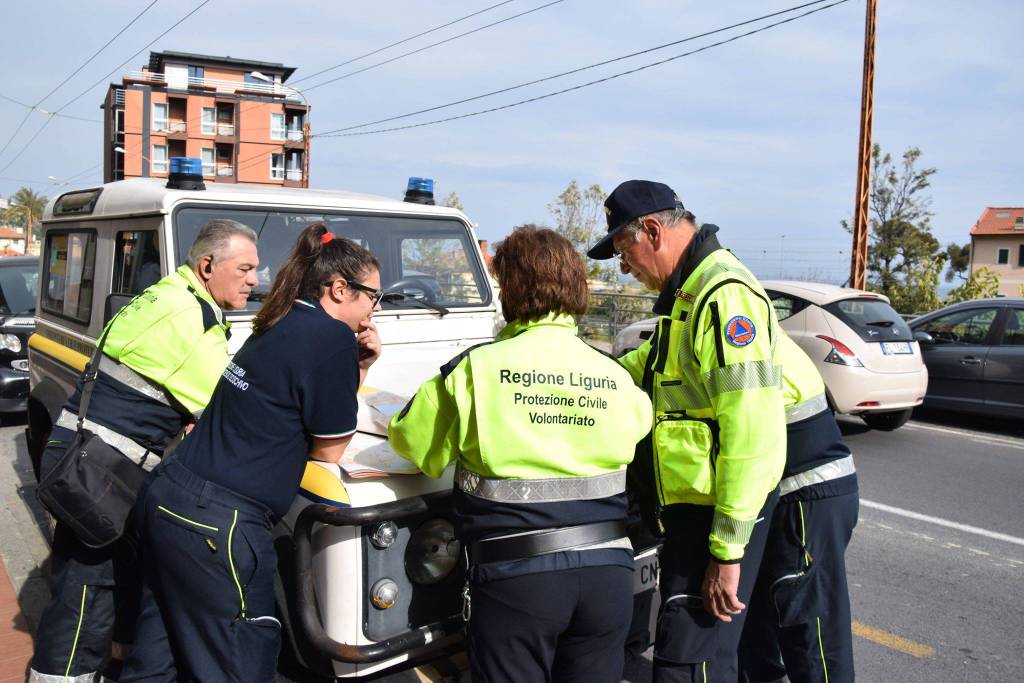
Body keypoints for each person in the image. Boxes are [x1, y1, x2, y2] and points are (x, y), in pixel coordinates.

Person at [119, 224, 382, 682]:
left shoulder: (282, 318)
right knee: (240, 662)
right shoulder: (333, 337)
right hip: (220, 526)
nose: (374, 310)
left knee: (159, 655)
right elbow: (329, 448)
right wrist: (358, 363)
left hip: (170, 498)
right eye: (373, 297)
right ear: (340, 289)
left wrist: (355, 368)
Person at [389, 227, 653, 683]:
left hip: (518, 579)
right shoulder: (614, 374)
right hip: (609, 573)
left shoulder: (475, 369)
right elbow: (638, 431)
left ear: (509, 288)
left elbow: (415, 444)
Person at [31, 219, 259, 683]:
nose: (254, 281)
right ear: (208, 264)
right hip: (99, 475)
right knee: (87, 591)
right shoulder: (191, 320)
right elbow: (236, 409)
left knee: (106, 573)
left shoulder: (168, 294)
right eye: (246, 269)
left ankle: (118, 658)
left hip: (81, 454)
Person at [588, 180, 786, 683]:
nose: (624, 268)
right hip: (689, 513)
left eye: (622, 251)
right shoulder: (689, 291)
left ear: (651, 231)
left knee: (687, 661)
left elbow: (751, 431)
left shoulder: (722, 297)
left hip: (712, 518)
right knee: (698, 657)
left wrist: (726, 551)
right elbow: (649, 366)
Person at [738, 334, 858, 683]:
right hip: (789, 495)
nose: (629, 274)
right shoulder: (748, 326)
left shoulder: (733, 327)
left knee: (811, 636)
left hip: (804, 495)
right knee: (756, 620)